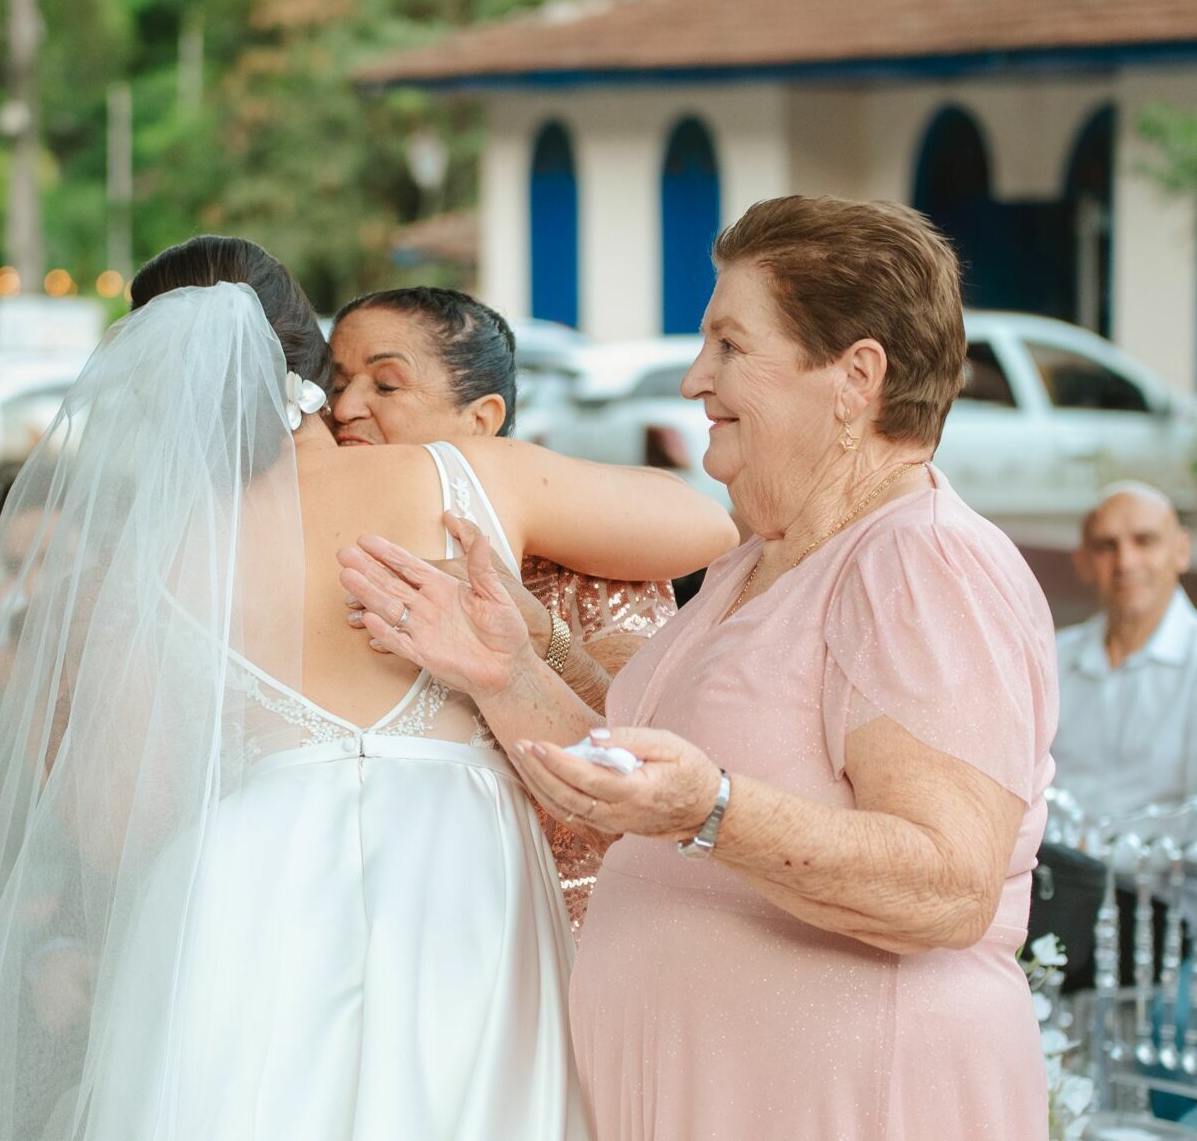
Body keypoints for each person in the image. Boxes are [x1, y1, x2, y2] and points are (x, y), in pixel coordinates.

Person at [0, 236, 738, 1141]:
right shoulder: (465, 478)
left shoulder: (163, 557)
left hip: (247, 876)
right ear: (307, 355)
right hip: (457, 868)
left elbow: (114, 825)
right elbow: (704, 527)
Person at [344, 196, 1056, 1138]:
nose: (692, 379)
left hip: (854, 1101)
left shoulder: (922, 562)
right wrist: (506, 667)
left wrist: (713, 811)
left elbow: (946, 883)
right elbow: (641, 783)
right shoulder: (750, 562)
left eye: (729, 346)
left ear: (855, 376)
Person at [329, 285, 682, 930]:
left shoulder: (595, 562)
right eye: (335, 381)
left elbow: (641, 744)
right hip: (379, 920)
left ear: (483, 420)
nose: (345, 407)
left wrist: (537, 634)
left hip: (560, 924)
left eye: (385, 386)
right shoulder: (326, 554)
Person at [1052, 482, 1197, 821]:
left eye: (1144, 541)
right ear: (1083, 562)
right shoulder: (1050, 658)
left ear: (1182, 551)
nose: (1125, 562)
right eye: (1106, 546)